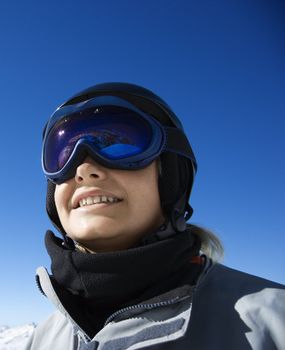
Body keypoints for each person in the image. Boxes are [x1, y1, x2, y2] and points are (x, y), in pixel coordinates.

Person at [26, 83, 285, 350]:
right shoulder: (42, 341)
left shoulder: (272, 323)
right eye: (64, 154)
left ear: (170, 176)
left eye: (119, 145)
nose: (84, 169)